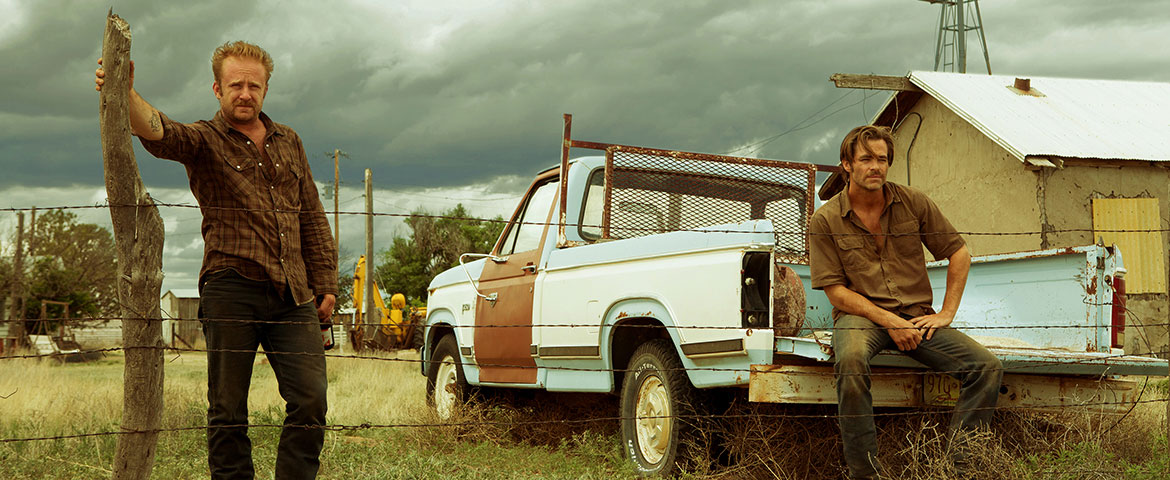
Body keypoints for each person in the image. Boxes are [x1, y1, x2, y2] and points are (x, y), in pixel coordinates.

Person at [96, 41, 338, 479]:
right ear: (217, 88)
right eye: (235, 85)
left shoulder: (290, 141)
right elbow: (161, 132)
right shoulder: (205, 140)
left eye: (253, 85)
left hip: (294, 293)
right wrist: (124, 93)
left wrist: (326, 284)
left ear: (265, 89)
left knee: (311, 399)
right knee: (228, 408)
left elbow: (313, 216)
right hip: (232, 288)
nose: (245, 93)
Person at [809, 125, 1003, 479]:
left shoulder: (913, 202)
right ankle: (864, 475)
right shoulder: (825, 219)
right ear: (846, 165)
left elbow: (958, 252)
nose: (876, 167)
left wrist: (946, 313)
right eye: (866, 159)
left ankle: (960, 470)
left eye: (882, 159)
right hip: (860, 315)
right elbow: (835, 291)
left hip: (917, 316)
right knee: (850, 361)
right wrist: (887, 320)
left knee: (986, 367)